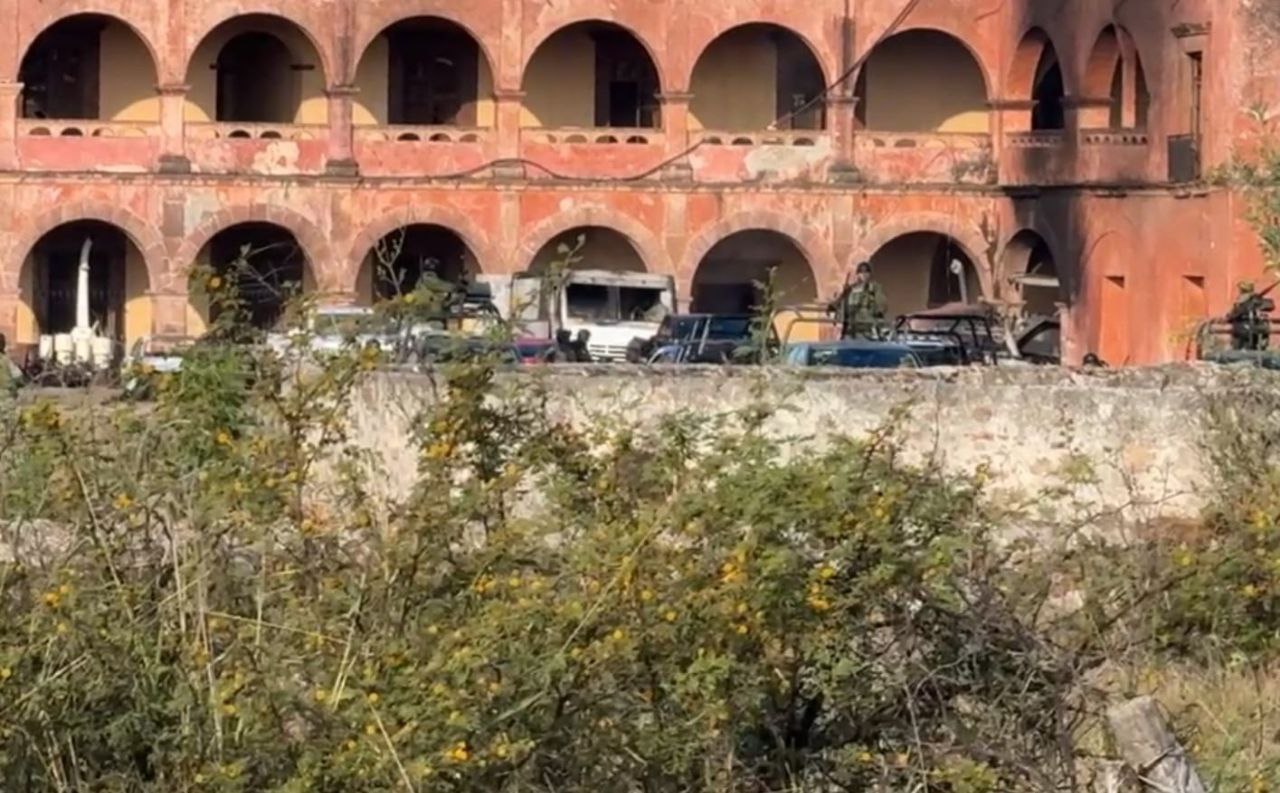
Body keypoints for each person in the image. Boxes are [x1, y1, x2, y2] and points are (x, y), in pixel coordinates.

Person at [830, 261, 888, 339]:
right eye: (861, 272)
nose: (864, 275)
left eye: (866, 272)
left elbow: (881, 306)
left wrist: (877, 314)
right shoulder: (850, 289)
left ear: (870, 274)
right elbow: (838, 304)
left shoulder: (874, 288)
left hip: (867, 329)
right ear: (857, 274)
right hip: (849, 329)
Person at [1228, 281, 1275, 352]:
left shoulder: (1254, 300)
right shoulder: (1240, 302)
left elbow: (1270, 306)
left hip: (1250, 329)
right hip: (1241, 329)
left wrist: (1257, 303)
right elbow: (1233, 315)